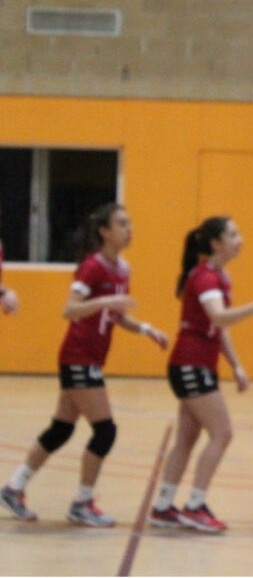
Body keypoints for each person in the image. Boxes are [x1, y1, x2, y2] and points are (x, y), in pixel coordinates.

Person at [1, 203, 167, 527]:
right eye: (122, 224)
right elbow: (70, 310)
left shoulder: (123, 268)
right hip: (78, 355)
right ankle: (82, 502)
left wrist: (147, 329)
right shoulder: (93, 267)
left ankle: (13, 487)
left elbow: (117, 316)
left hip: (91, 357)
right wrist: (106, 301)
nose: (129, 229)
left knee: (61, 430)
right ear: (105, 231)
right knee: (105, 431)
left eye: (130, 223)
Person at [154, 216, 253, 534]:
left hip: (196, 365)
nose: (241, 239)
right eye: (234, 234)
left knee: (186, 438)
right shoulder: (206, 278)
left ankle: (162, 507)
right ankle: (195, 506)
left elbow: (217, 327)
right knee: (222, 433)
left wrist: (236, 365)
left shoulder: (220, 277)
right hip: (190, 364)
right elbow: (219, 316)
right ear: (216, 243)